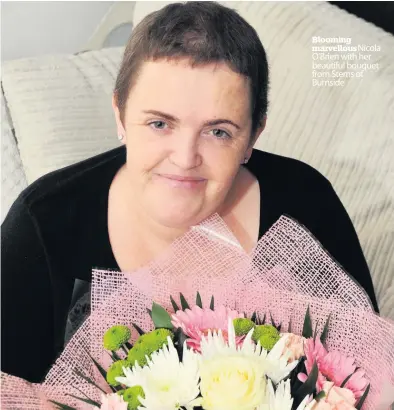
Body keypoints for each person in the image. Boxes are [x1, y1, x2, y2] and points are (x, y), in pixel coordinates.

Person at [1, 1, 378, 384]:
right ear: (120, 114)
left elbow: (364, 379)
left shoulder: (307, 205)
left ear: (253, 136)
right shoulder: (42, 227)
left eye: (219, 132)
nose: (185, 159)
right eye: (160, 123)